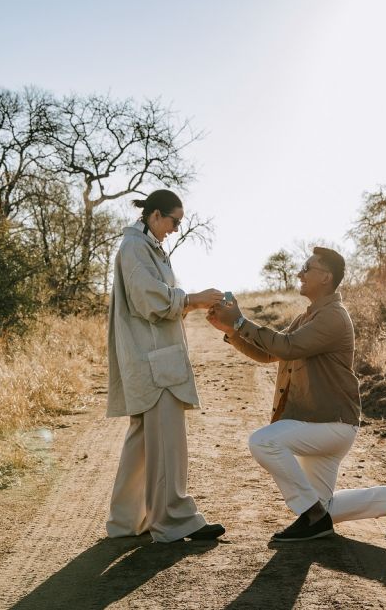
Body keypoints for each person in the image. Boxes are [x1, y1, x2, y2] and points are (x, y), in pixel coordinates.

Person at [207, 247, 386, 542]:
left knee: (263, 441)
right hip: (319, 425)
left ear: (326, 277)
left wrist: (242, 321)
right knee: (323, 506)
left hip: (330, 425)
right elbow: (272, 354)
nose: (299, 273)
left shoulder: (333, 316)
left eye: (307, 268)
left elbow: (287, 347)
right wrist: (231, 330)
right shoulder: (307, 317)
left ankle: (313, 518)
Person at [105, 189, 226, 543]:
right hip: (153, 363)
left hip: (155, 360)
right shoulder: (134, 248)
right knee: (166, 444)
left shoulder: (147, 247)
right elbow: (149, 300)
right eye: (174, 221)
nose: (175, 228)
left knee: (143, 444)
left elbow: (158, 299)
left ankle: (125, 522)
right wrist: (193, 299)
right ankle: (175, 520)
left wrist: (192, 303)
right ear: (155, 215)